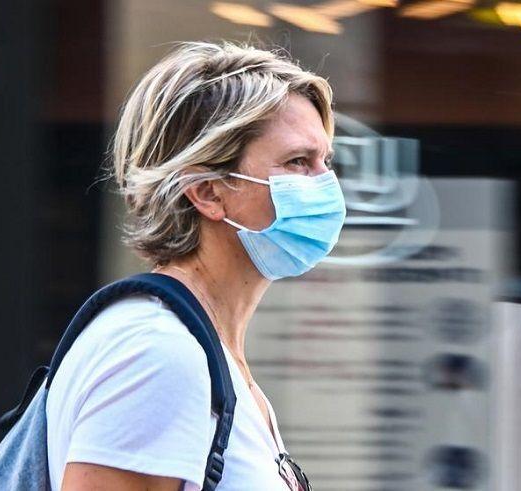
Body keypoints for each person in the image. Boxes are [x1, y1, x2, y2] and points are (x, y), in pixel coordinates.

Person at [45, 41, 345, 491]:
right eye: (297, 162)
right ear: (207, 192)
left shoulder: (209, 355)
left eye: (326, 161)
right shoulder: (156, 353)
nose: (325, 184)